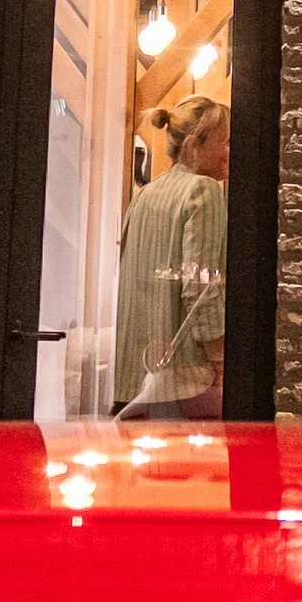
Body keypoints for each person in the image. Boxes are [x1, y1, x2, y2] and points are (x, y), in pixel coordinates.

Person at [113, 95, 227, 416]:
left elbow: (127, 278)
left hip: (135, 376)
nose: (231, 152)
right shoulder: (204, 190)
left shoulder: (145, 194)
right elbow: (201, 287)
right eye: (226, 142)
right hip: (185, 377)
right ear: (192, 145)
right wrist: (219, 360)